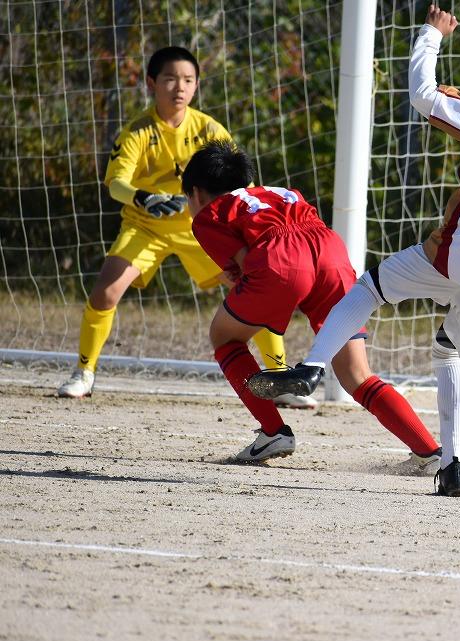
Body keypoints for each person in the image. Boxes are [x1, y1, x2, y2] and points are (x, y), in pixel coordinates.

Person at [247, 5, 460, 495]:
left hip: (459, 251)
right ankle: (453, 467)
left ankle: (311, 367)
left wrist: (431, 35)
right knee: (450, 352)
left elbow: (423, 96)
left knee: (368, 288)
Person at [57, 46, 314, 410]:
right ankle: (84, 372)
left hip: (206, 230)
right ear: (151, 83)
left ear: (196, 86)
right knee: (106, 291)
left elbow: (239, 179)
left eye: (188, 80)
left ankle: (280, 377)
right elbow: (115, 182)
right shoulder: (137, 131)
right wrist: (142, 198)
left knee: (256, 288)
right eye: (170, 79)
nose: (180, 87)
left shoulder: (209, 129)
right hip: (147, 228)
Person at [181, 140, 443, 465]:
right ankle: (430, 454)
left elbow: (249, 263)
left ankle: (273, 432)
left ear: (196, 194)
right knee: (357, 375)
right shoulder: (281, 192)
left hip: (281, 260)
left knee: (225, 337)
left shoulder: (210, 214)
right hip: (330, 251)